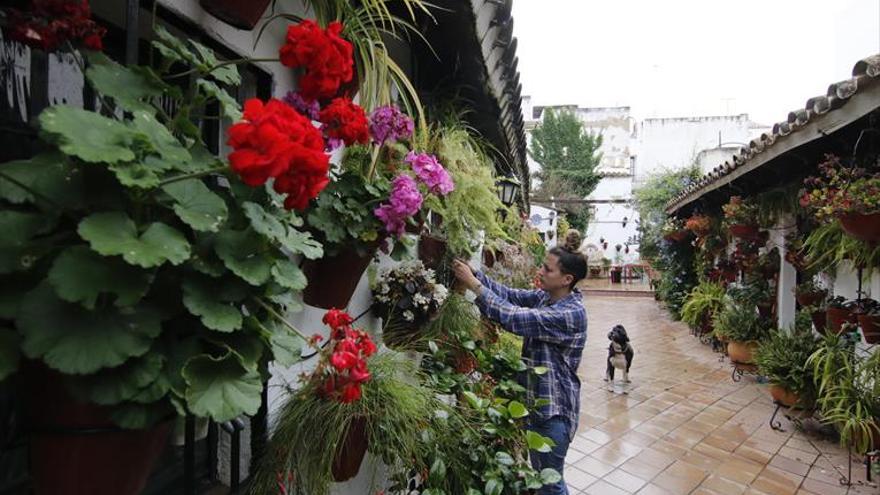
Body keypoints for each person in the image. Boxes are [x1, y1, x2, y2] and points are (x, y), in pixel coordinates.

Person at [452, 230, 588, 495]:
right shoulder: (546, 298)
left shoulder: (571, 314)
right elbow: (510, 296)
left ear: (567, 279)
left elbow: (513, 317)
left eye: (547, 269)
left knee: (550, 484)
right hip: (538, 407)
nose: (541, 271)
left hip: (554, 413)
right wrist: (475, 274)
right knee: (541, 479)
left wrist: (473, 285)